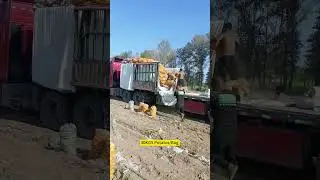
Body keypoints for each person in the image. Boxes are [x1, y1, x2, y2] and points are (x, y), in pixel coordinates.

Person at [213, 22, 240, 92]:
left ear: (226, 28)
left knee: (223, 70)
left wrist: (215, 45)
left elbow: (217, 41)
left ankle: (225, 87)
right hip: (232, 55)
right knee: (231, 72)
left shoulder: (224, 34)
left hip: (226, 55)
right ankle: (232, 87)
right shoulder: (234, 35)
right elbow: (238, 44)